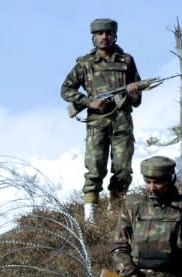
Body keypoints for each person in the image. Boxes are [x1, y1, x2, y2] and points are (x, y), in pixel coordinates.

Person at [61, 18, 143, 222]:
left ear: (114, 35)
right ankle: (91, 219)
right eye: (100, 34)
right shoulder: (85, 63)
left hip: (122, 122)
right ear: (93, 37)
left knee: (123, 170)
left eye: (108, 33)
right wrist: (89, 102)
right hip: (97, 124)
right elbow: (66, 90)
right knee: (95, 169)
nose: (104, 37)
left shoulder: (126, 61)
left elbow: (137, 100)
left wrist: (133, 92)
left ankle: (115, 214)